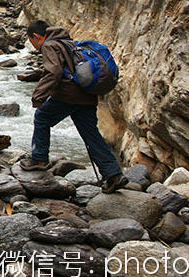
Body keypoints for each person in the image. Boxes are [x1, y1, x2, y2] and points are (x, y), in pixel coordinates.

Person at [20, 20, 128, 194]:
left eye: (32, 41)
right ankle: (113, 174)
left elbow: (53, 72)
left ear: (37, 36)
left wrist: (38, 96)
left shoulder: (50, 45)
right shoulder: (68, 42)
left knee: (42, 118)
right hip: (87, 95)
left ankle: (39, 158)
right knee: (90, 134)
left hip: (68, 95)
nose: (33, 45)